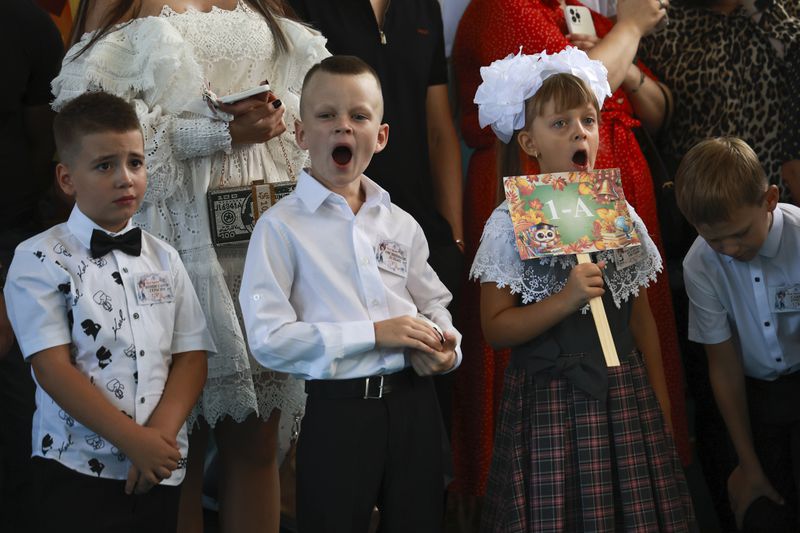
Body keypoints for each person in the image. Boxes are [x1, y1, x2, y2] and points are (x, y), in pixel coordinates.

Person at [51, 2, 329, 531]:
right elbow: (97, 133)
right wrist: (216, 132)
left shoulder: (263, 6)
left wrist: (282, 117)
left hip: (257, 231)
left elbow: (311, 106)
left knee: (257, 439)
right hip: (171, 230)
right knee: (174, 440)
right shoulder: (126, 6)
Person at [450, 0, 690, 499]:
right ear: (529, 142)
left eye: (588, 121)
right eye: (561, 124)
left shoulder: (615, 211)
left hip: (625, 398)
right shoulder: (512, 221)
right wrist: (564, 299)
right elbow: (495, 328)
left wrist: (662, 404)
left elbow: (641, 315)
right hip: (551, 405)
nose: (580, 132)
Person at [239, 55, 462, 533]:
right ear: (301, 134)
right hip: (338, 412)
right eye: (326, 116)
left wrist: (446, 349)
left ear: (380, 136)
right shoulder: (280, 228)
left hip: (414, 406)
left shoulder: (401, 223)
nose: (343, 126)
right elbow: (269, 338)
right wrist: (373, 334)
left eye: (359, 116)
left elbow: (434, 304)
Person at [3, 91, 213, 533]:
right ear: (66, 179)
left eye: (135, 162)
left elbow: (191, 356)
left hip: (159, 464)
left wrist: (158, 438)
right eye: (105, 165)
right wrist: (132, 441)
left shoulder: (165, 257)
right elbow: (52, 368)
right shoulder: (39, 257)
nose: (125, 178)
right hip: (76, 467)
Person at [677, 137, 800, 532]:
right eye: (715, 239)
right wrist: (747, 464)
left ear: (769, 199)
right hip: (753, 399)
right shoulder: (700, 262)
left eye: (740, 233)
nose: (729, 249)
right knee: (764, 510)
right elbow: (724, 365)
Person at [0, 2, 64, 530]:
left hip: (13, 246)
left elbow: (51, 155)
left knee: (23, 427)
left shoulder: (26, 25)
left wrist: (15, 271)